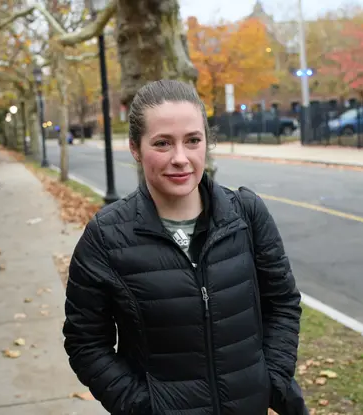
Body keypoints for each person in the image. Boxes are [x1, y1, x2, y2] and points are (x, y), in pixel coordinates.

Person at [63, 79, 308, 415]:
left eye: (193, 140)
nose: (181, 158)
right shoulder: (105, 238)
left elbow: (282, 303)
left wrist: (272, 379)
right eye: (162, 143)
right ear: (135, 148)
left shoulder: (247, 215)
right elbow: (86, 343)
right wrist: (142, 407)